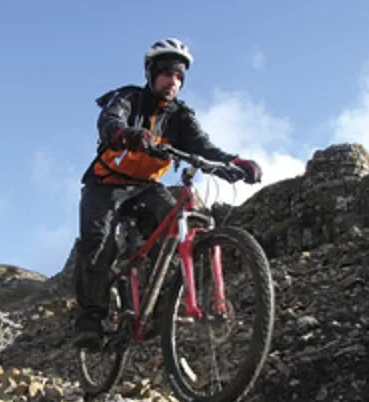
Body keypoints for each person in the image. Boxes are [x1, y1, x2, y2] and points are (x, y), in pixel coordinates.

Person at [73, 37, 263, 351]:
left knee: (175, 227)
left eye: (179, 77)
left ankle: (161, 304)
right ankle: (90, 318)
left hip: (147, 187)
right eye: (167, 73)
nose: (173, 81)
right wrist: (126, 134)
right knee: (98, 243)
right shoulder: (128, 98)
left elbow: (204, 147)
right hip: (105, 185)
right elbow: (109, 121)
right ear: (151, 74)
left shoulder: (180, 116)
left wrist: (235, 163)